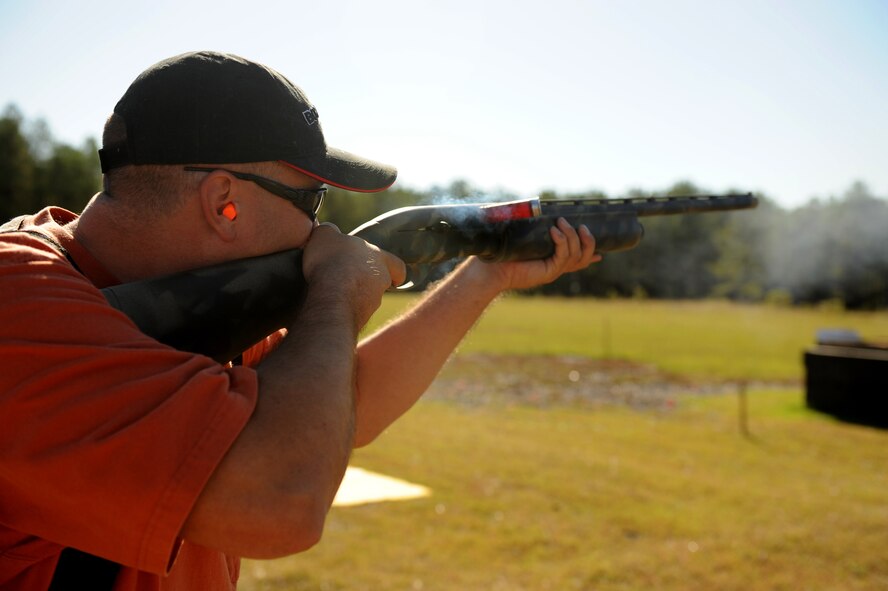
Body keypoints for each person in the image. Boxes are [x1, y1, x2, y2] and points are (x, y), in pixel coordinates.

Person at [0, 51, 600, 590]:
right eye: (312, 202)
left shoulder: (186, 309)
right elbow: (280, 501)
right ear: (222, 204)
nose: (324, 231)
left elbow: (337, 410)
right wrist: (337, 294)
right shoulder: (17, 303)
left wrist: (485, 276)